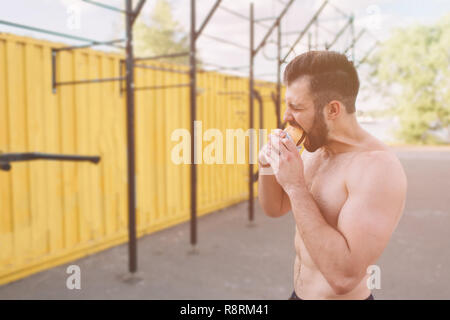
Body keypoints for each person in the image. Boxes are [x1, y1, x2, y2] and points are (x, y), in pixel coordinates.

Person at [257, 51, 407, 300]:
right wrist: (266, 166)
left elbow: (343, 278)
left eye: (296, 107)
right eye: (287, 105)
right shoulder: (313, 149)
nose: (286, 117)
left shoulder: (378, 168)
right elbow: (275, 208)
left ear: (333, 110)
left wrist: (295, 187)